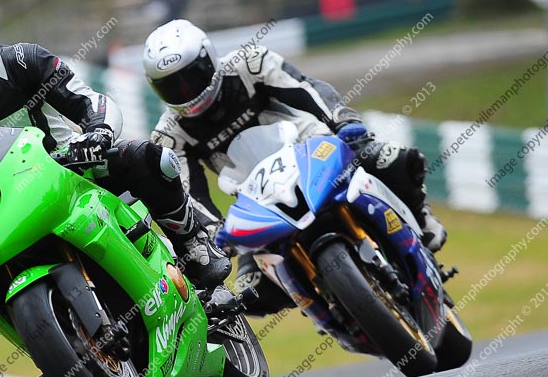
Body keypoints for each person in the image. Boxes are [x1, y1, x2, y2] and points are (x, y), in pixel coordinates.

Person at [0, 0, 230, 336]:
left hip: (72, 171)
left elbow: (90, 101)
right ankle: (50, 342)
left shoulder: (22, 61)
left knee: (150, 159)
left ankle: (192, 246)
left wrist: (98, 133)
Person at [142, 19, 447, 316]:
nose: (186, 92)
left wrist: (342, 119)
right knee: (249, 291)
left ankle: (423, 221)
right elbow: (188, 193)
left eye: (191, 77)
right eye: (172, 88)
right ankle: (329, 304)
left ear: (209, 59)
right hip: (257, 197)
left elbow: (305, 88)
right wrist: (212, 230)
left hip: (315, 150)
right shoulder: (169, 135)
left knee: (391, 158)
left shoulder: (250, 63)